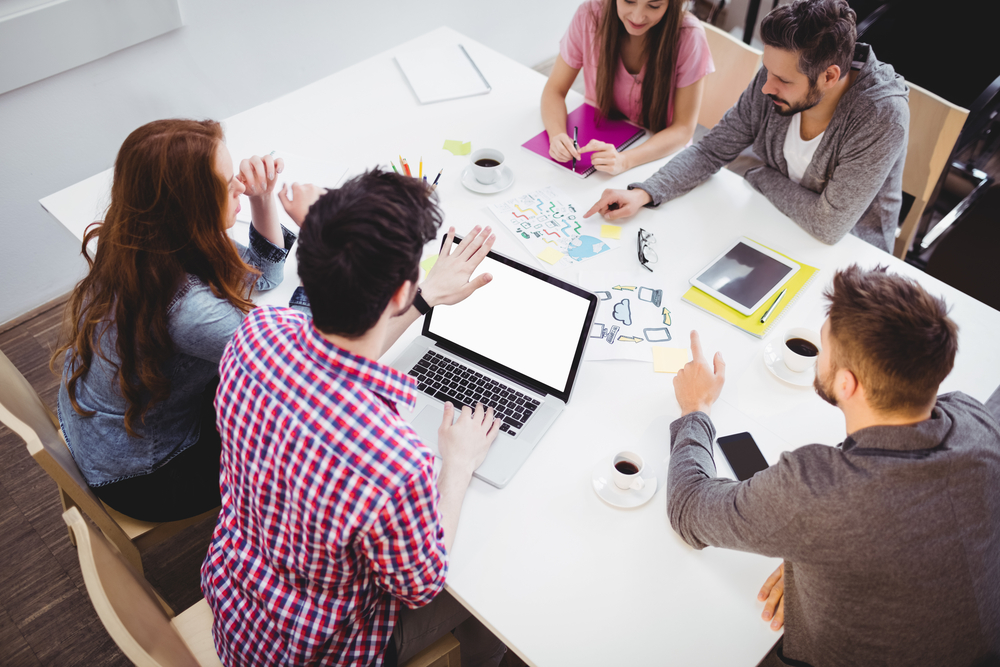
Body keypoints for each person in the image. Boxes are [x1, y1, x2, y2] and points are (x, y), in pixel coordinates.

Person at [200, 169, 508, 666]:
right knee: (494, 602)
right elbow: (421, 584)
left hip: (238, 620)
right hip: (322, 653)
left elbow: (338, 356)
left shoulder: (256, 334)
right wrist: (458, 465)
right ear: (398, 292)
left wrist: (423, 296)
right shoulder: (395, 463)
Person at [668, 265, 1000, 666]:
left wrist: (695, 407)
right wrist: (824, 555)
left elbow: (689, 510)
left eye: (824, 349)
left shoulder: (817, 491)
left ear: (846, 384)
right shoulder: (976, 421)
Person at [54, 119, 296, 522]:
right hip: (145, 475)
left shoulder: (146, 235)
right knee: (299, 432)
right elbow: (297, 366)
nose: (239, 184)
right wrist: (327, 245)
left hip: (98, 422)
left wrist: (263, 198)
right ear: (190, 204)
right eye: (225, 182)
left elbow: (262, 274)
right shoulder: (189, 312)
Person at [585, 0, 909, 252]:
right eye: (767, 70)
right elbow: (712, 150)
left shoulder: (882, 116)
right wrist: (645, 191)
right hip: (768, 219)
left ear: (829, 76)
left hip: (844, 255)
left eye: (782, 79)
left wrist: (756, 172)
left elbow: (828, 225)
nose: (766, 87)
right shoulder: (778, 75)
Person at [541, 0, 715, 175]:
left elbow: (683, 129)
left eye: (654, 6)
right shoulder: (589, 15)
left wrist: (626, 160)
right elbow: (555, 90)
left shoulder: (690, 37)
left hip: (660, 158)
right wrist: (557, 135)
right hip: (602, 140)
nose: (637, 17)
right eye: (629, 1)